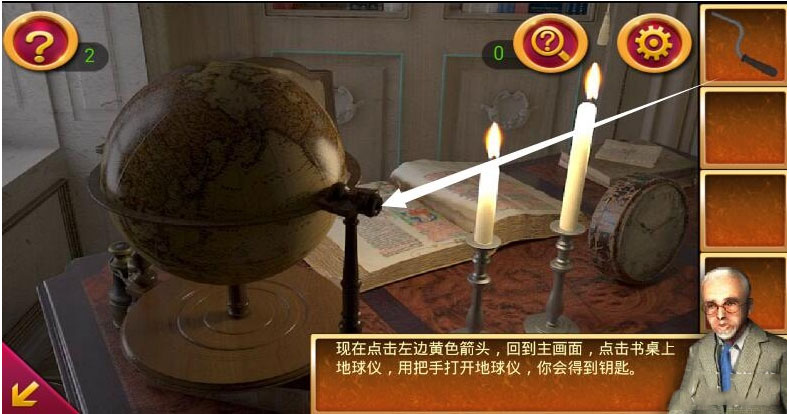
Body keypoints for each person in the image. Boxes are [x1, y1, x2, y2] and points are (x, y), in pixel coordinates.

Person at [669, 267, 786, 413]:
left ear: (749, 307)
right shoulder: (698, 350)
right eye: (711, 305)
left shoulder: (781, 351)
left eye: (730, 303)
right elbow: (682, 407)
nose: (720, 315)